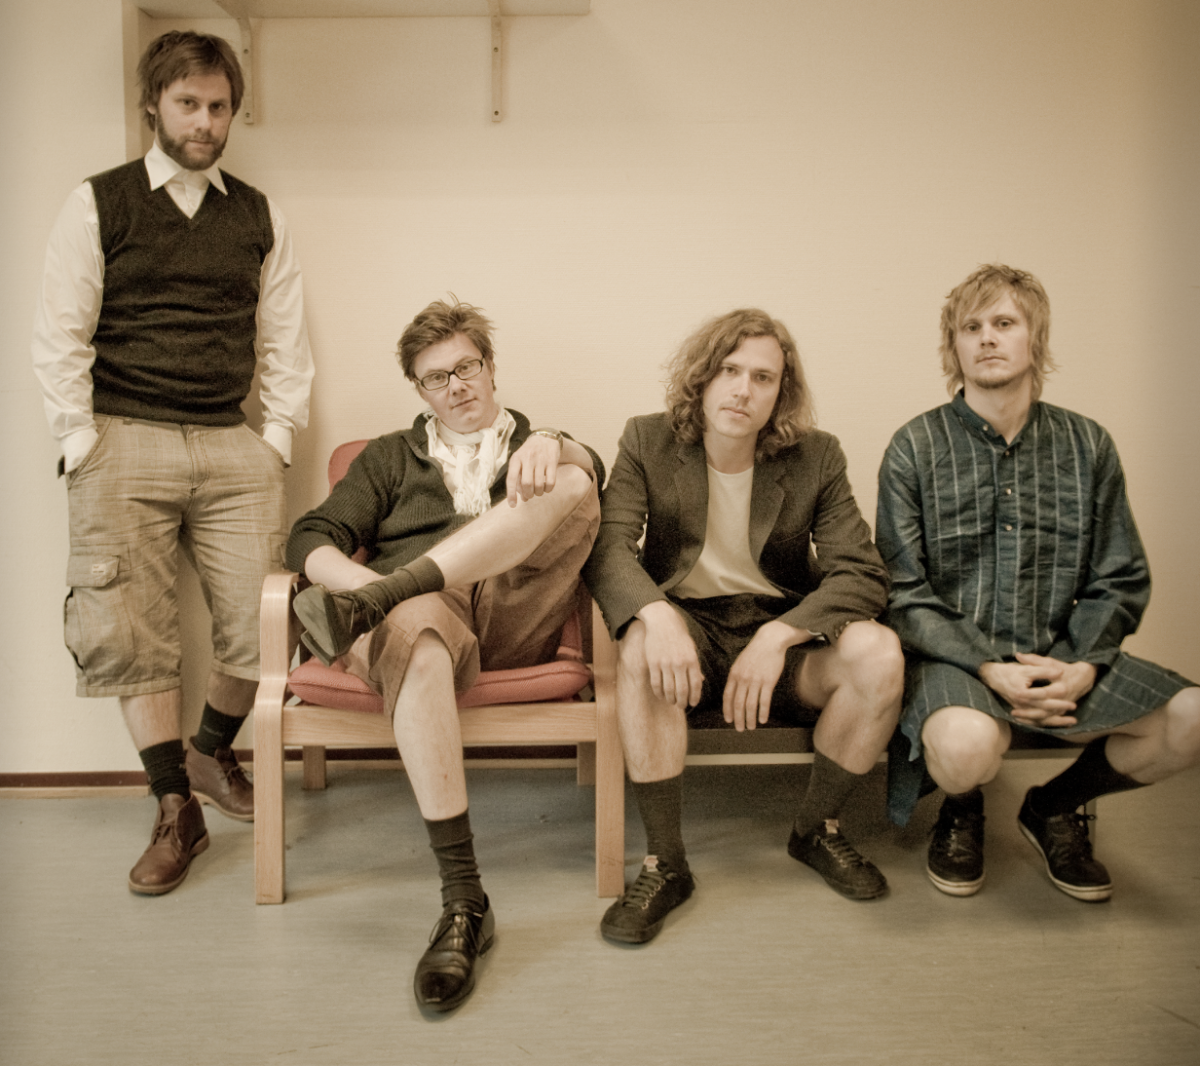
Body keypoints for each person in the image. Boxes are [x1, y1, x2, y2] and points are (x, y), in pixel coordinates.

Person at [31, 31, 314, 895]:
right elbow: (60, 334)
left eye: (219, 106)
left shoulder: (258, 214)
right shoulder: (98, 202)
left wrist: (277, 437)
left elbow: (287, 341)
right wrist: (80, 439)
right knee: (128, 627)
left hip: (232, 441)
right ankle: (173, 807)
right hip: (123, 434)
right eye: (188, 104)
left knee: (262, 622)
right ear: (153, 105)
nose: (204, 121)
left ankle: (206, 755)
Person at [286, 298, 602, 1012]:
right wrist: (373, 587)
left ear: (490, 370)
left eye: (467, 367)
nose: (457, 386)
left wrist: (559, 442)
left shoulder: (536, 442)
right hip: (421, 620)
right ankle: (465, 903)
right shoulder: (389, 458)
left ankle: (385, 599)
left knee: (577, 484)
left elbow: (593, 480)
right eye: (437, 378)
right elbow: (309, 536)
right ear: (420, 391)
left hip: (513, 611)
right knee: (420, 631)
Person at [876, 263, 1200, 901]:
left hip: (1062, 656)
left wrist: (1081, 664)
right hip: (954, 663)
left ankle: (1052, 806)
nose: (987, 338)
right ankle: (962, 809)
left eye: (1004, 323)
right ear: (954, 346)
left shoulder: (1088, 446)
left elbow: (1120, 576)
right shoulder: (913, 448)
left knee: (1193, 718)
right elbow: (903, 591)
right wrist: (989, 667)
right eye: (972, 327)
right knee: (965, 746)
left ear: (1035, 339)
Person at [583, 308, 903, 945]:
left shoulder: (817, 456)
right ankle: (665, 863)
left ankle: (817, 830)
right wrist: (654, 615)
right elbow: (607, 548)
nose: (742, 390)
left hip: (778, 634)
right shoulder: (646, 440)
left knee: (880, 654)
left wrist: (779, 635)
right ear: (702, 378)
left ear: (779, 393)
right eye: (728, 371)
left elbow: (861, 574)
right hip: (686, 628)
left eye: (762, 377)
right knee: (643, 643)